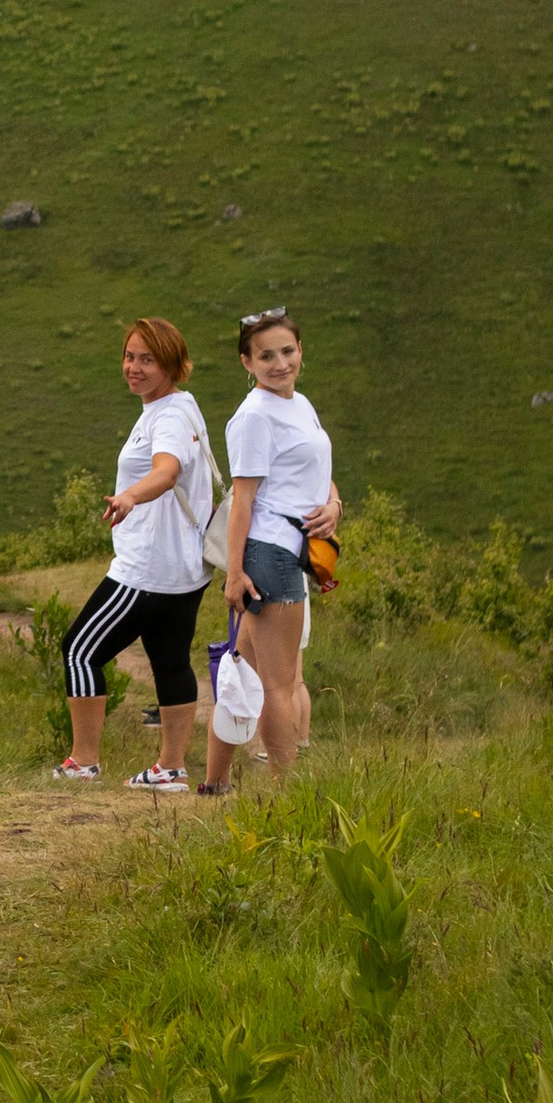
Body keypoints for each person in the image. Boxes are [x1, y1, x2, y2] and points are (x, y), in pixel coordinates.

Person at [54, 317, 213, 794]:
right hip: (185, 570)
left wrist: (129, 498)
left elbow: (167, 471)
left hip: (147, 570)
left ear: (172, 365)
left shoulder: (166, 417)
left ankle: (83, 761)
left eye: (148, 359)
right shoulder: (181, 406)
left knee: (79, 650)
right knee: (170, 661)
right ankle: (171, 768)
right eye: (130, 357)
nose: (135, 368)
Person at [210, 307, 341, 787]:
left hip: (290, 548)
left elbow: (314, 466)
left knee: (240, 668)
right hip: (270, 554)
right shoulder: (254, 417)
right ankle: (289, 792)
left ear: (301, 350)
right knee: (278, 684)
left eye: (287, 351)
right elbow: (242, 501)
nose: (280, 363)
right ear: (247, 362)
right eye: (266, 355)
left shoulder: (299, 403)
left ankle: (215, 782)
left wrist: (334, 503)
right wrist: (235, 573)